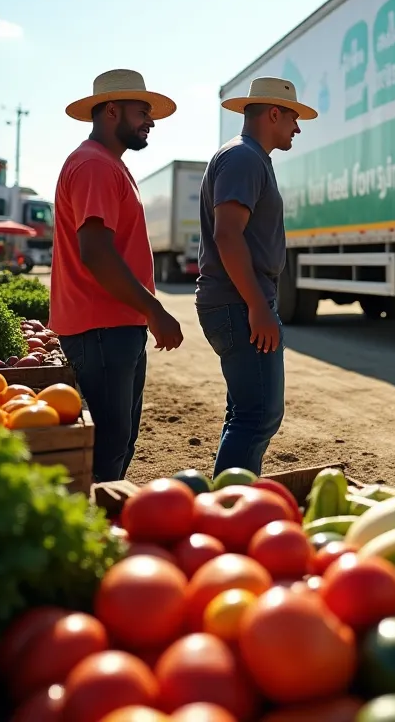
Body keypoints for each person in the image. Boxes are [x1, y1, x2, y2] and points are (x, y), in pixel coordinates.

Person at [51, 69, 184, 483]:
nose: (151, 121)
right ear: (112, 111)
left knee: (117, 443)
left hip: (110, 328)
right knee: (107, 448)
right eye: (142, 111)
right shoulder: (94, 166)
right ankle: (96, 533)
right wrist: (155, 309)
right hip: (101, 329)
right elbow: (96, 253)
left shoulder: (106, 163)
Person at [196, 76, 317, 478]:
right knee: (258, 416)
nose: (297, 128)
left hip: (235, 303)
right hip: (237, 304)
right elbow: (227, 234)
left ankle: (228, 500)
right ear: (274, 113)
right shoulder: (245, 158)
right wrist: (257, 306)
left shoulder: (247, 157)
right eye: (293, 118)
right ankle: (232, 509)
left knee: (246, 413)